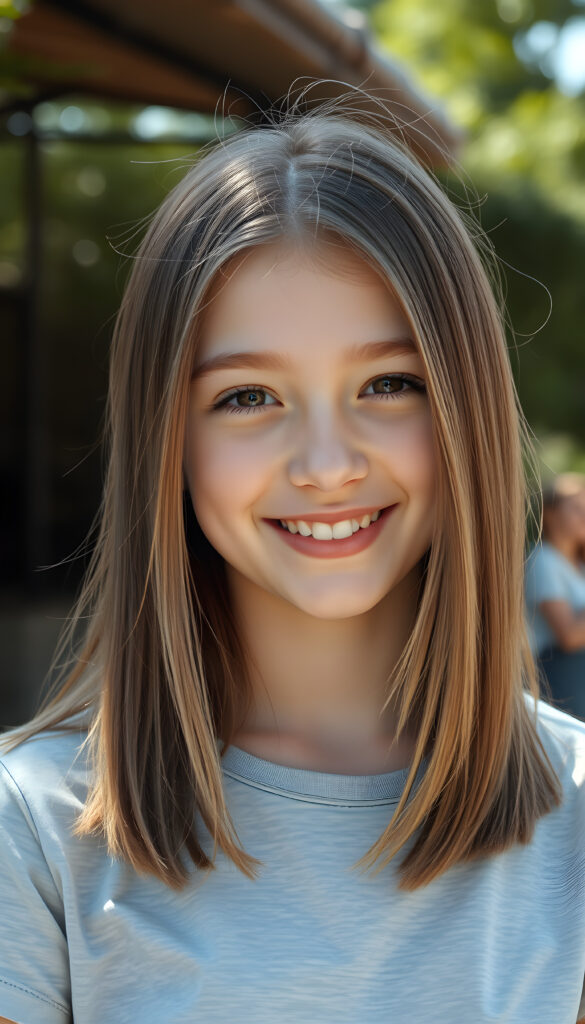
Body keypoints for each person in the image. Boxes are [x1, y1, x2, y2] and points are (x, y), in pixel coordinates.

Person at [1, 89, 585, 1024]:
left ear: (467, 410)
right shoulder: (28, 828)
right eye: (247, 397)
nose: (324, 465)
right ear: (167, 441)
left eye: (388, 384)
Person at [525, 474, 585, 720]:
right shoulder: (543, 561)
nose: (584, 515)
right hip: (558, 682)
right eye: (576, 508)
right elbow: (568, 636)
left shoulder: (579, 565)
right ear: (550, 514)